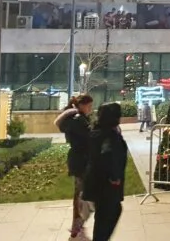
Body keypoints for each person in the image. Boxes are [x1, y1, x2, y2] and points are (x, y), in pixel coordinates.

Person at [83, 102, 128, 241]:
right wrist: (114, 177)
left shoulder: (98, 131)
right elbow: (108, 156)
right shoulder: (109, 136)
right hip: (106, 185)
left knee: (105, 215)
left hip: (98, 183)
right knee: (108, 215)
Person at [55, 95, 94, 241]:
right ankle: (77, 229)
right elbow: (89, 138)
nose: (91, 109)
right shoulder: (78, 120)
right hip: (81, 160)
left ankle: (77, 228)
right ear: (82, 105)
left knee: (80, 194)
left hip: (78, 160)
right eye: (89, 106)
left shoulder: (76, 119)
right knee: (82, 195)